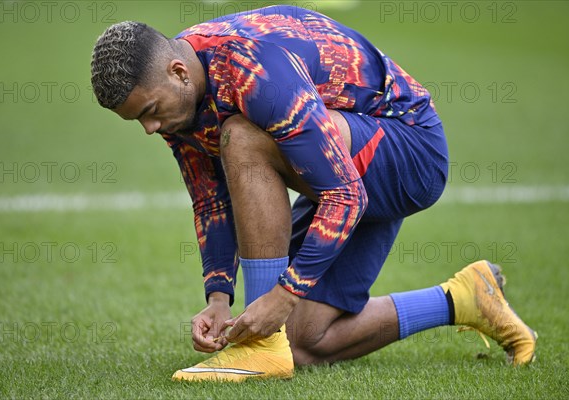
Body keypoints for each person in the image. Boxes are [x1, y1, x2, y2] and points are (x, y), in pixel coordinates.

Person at [90, 5, 536, 382]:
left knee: (242, 137)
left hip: (410, 153)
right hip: (342, 162)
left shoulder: (253, 71)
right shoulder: (180, 92)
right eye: (137, 121)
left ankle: (260, 348)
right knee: (304, 342)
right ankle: (465, 297)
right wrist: (219, 298)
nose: (150, 128)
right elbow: (211, 199)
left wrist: (283, 294)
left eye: (149, 112)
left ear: (179, 72)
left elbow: (346, 197)